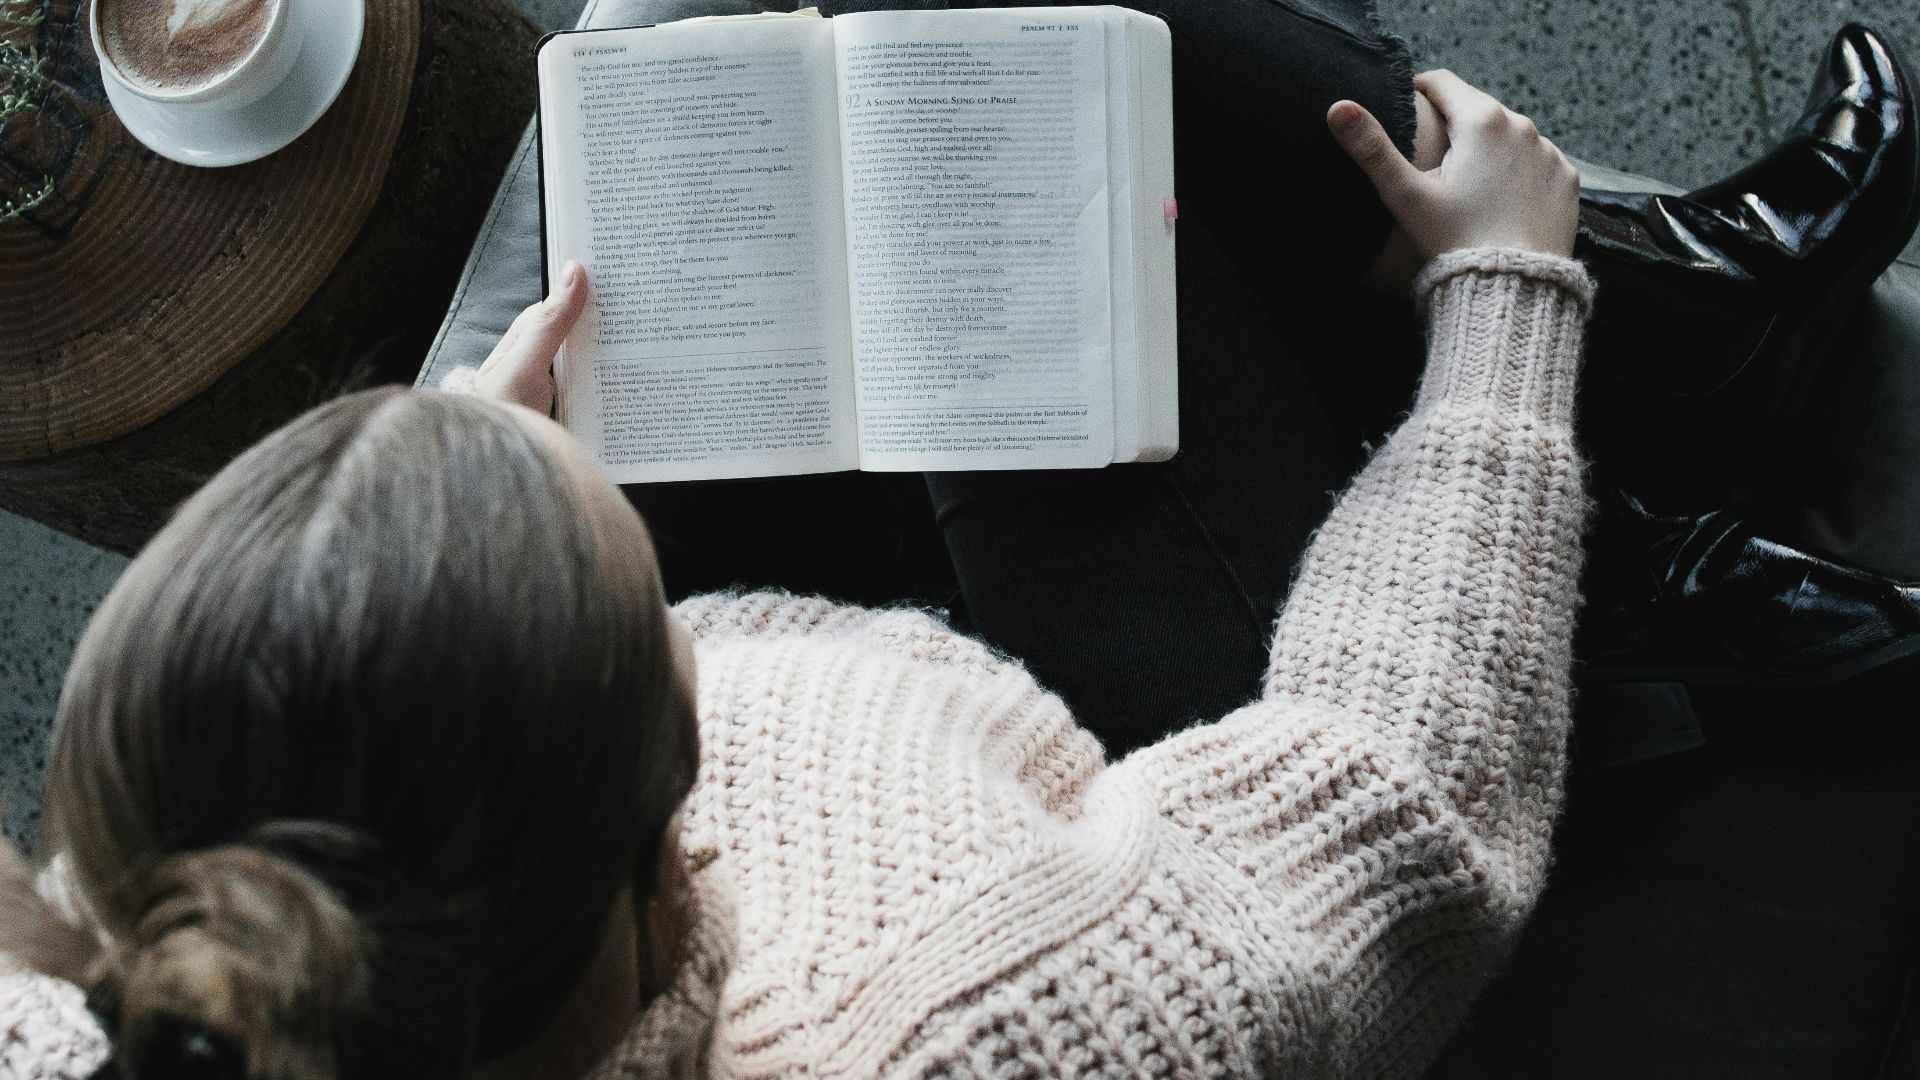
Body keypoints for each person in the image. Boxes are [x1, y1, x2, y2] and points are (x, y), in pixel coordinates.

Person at [0, 36, 1593, 1078]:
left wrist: (457, 485)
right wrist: (1507, 302)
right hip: (1111, 777)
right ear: (652, 825)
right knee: (978, 52)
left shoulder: (104, 986)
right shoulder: (971, 1027)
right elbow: (1407, 793)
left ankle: (1659, 314)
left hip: (821, 694)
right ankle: (1608, 302)